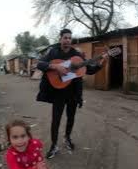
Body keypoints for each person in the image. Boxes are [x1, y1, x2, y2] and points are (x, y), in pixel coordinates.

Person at [36, 29, 107, 159]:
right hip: (58, 91)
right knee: (56, 120)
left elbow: (88, 70)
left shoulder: (77, 55)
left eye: (69, 38)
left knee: (71, 117)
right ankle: (54, 145)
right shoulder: (53, 52)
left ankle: (67, 138)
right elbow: (40, 64)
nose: (67, 40)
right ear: (60, 39)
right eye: (65, 38)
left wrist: (100, 64)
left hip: (73, 93)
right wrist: (56, 67)